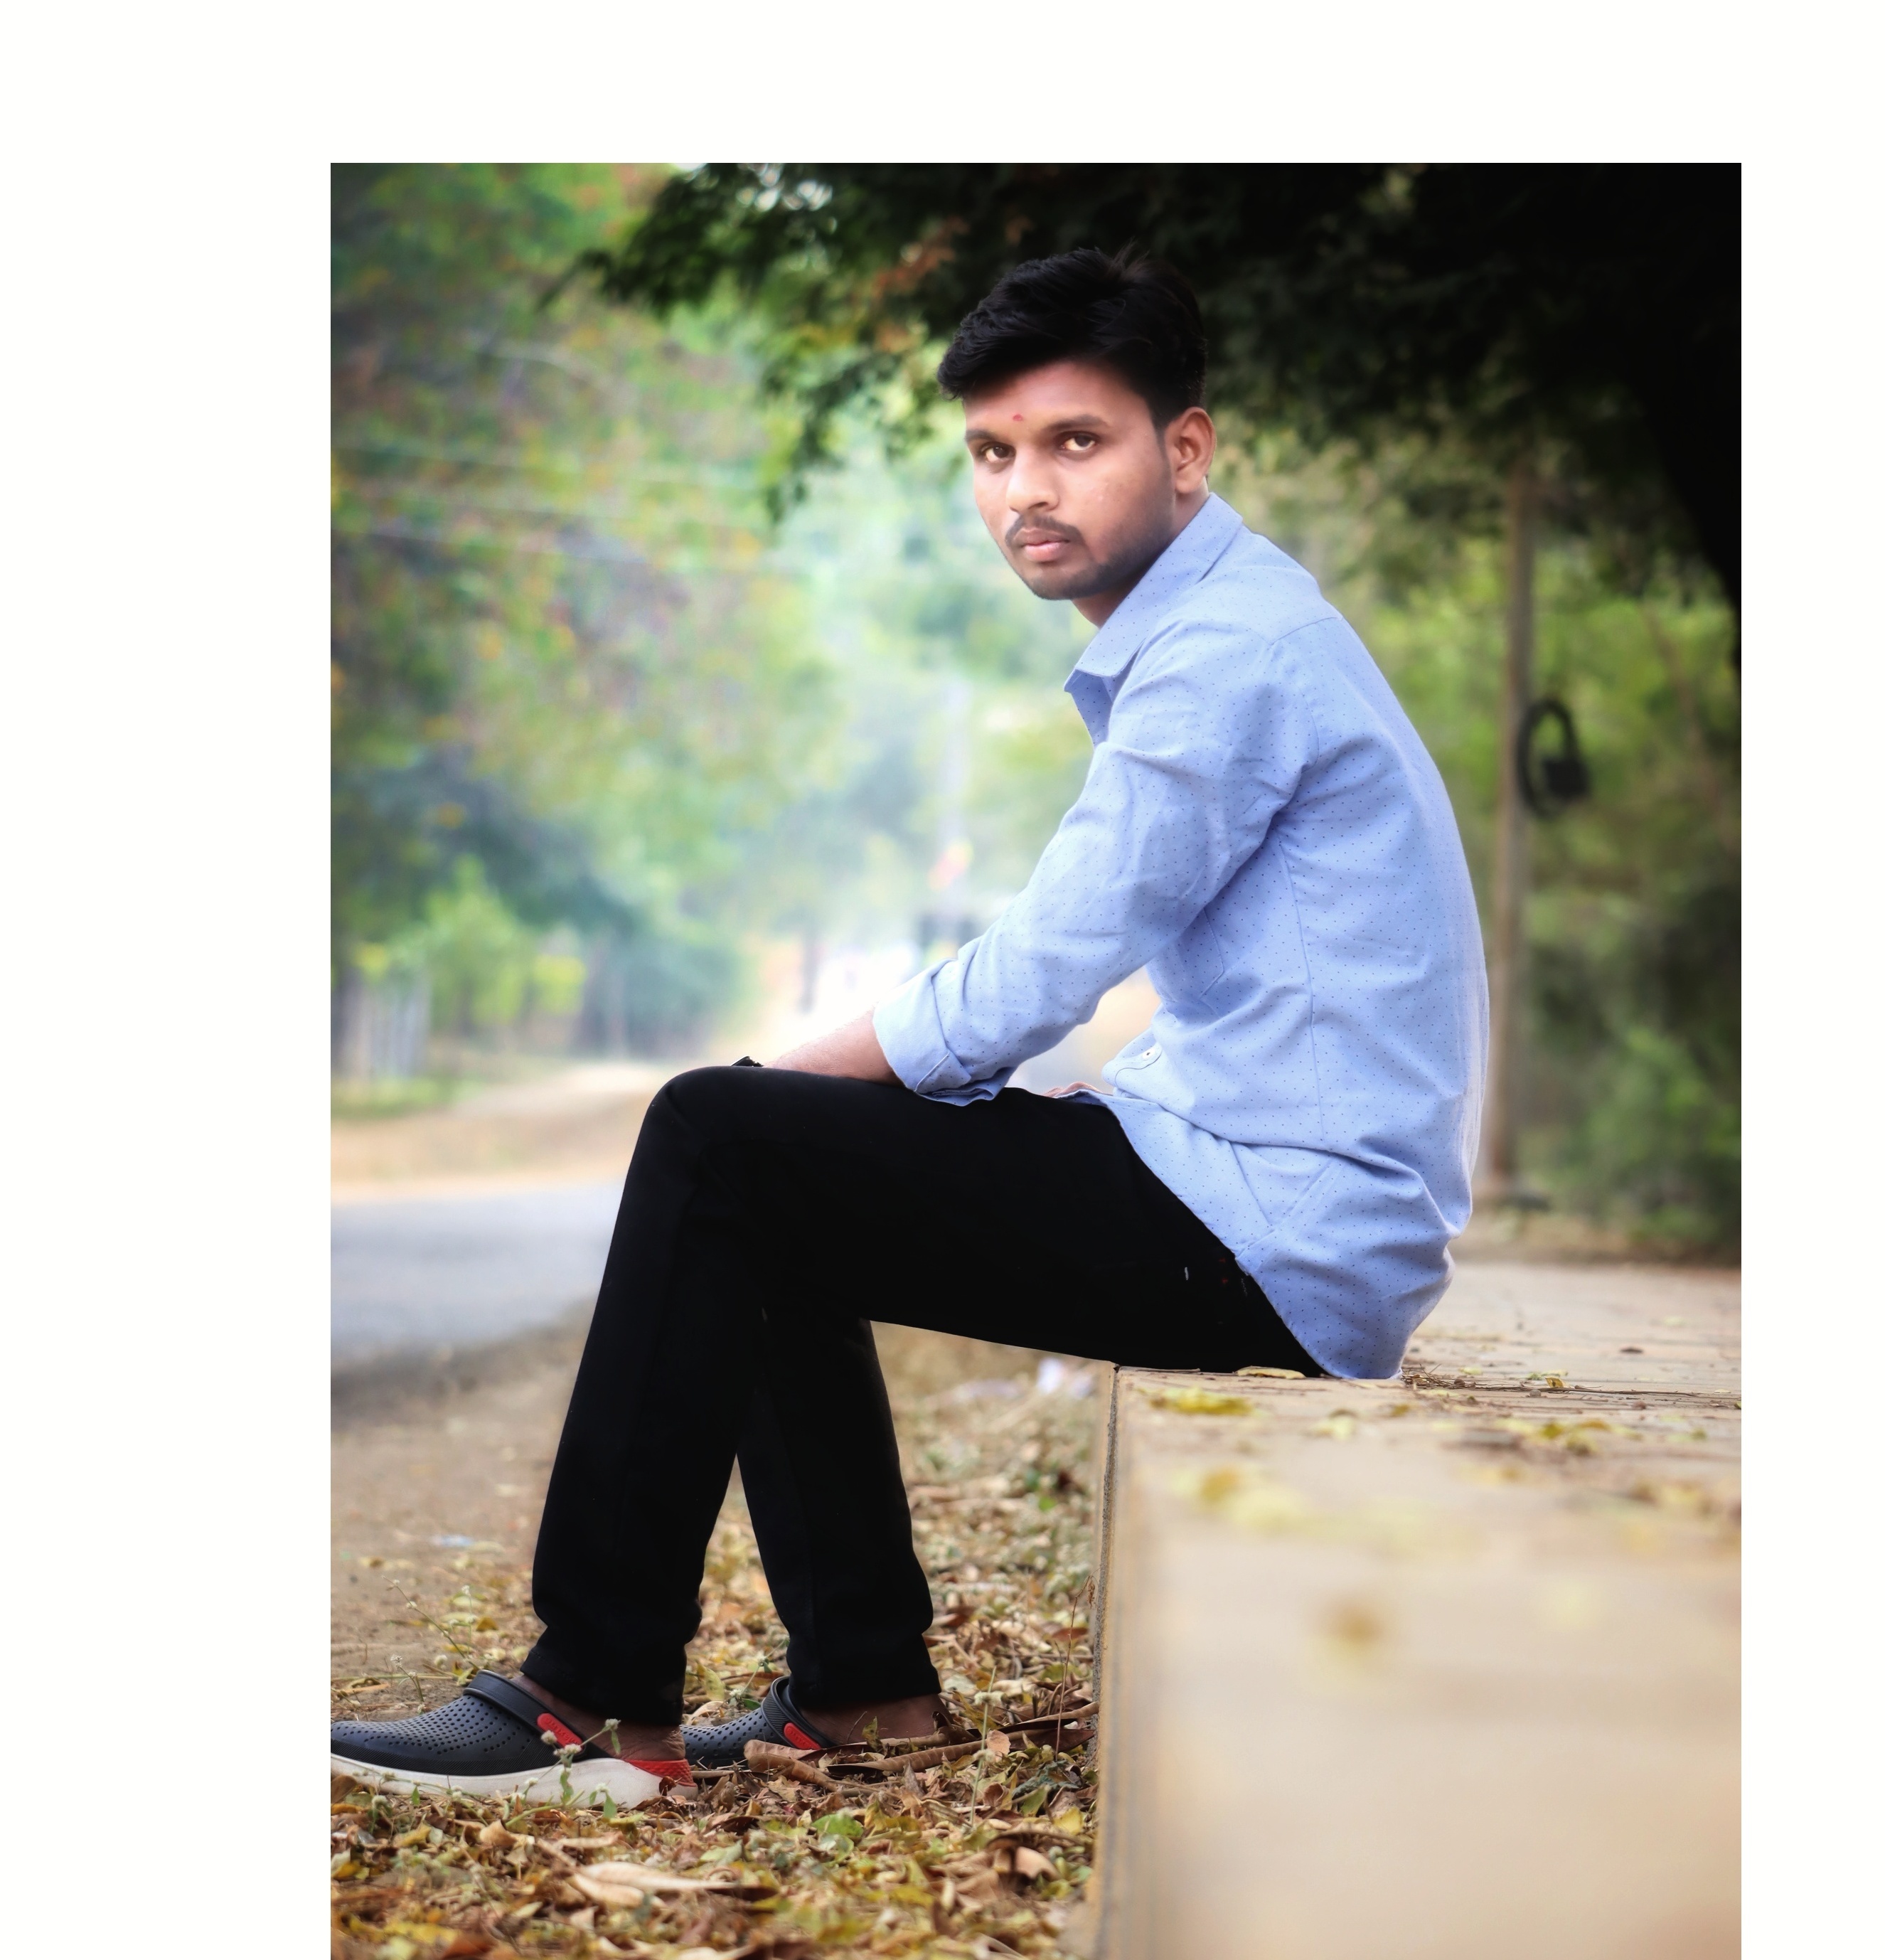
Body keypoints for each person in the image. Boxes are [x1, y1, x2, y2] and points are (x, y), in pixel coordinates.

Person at [330, 248, 1488, 1806]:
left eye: (1074, 441)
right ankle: (861, 1691)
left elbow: (1032, 979)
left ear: (1184, 449)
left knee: (721, 1136)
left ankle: (586, 1695)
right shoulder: (1230, 623)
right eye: (993, 453)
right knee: (772, 1178)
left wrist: (775, 1078)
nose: (1027, 490)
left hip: (1281, 1235)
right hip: (1264, 1192)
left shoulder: (1227, 659)